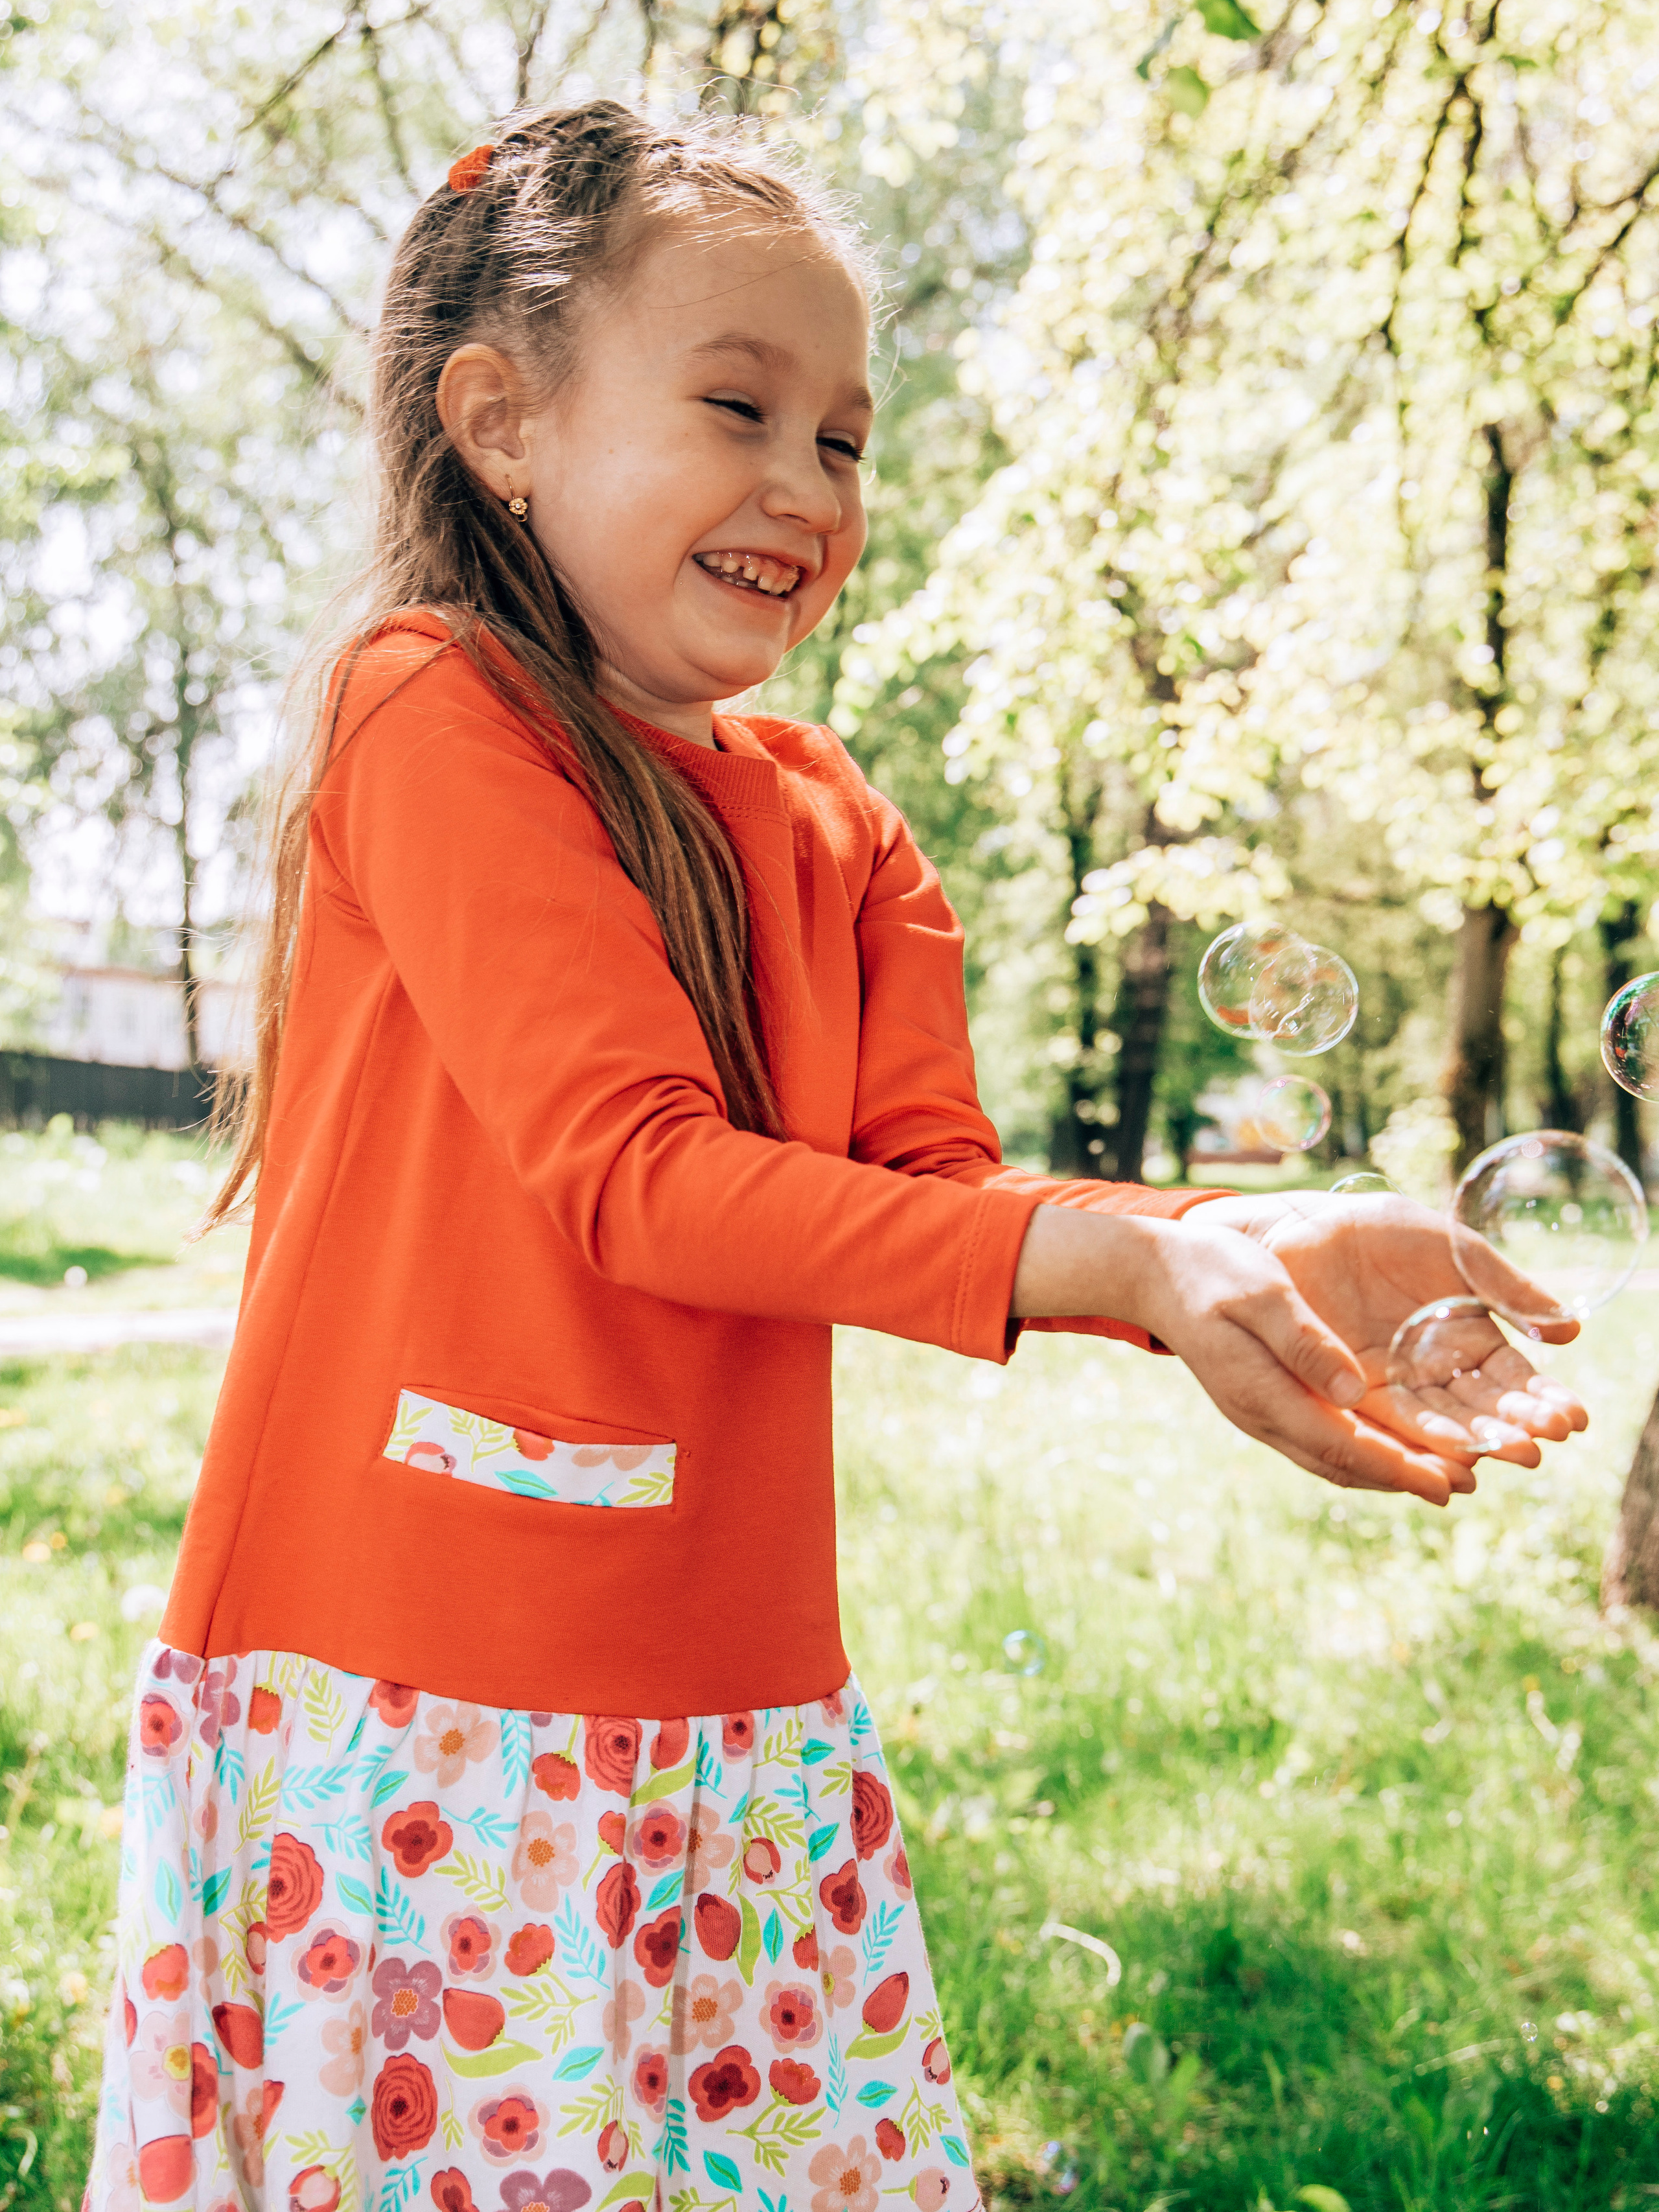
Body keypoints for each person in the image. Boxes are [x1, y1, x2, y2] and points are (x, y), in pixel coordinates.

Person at [87, 99, 1586, 2212]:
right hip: (417, 1725)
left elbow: (940, 1196)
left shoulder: (837, 820)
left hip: (741, 1737)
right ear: (501, 422)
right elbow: (638, 1169)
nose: (807, 487)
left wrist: (1216, 1238)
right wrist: (1129, 1262)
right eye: (739, 408)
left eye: (847, 440)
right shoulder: (428, 706)